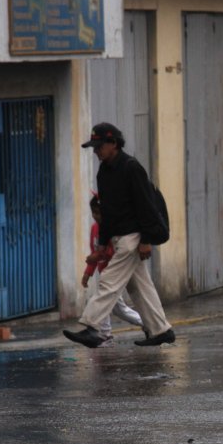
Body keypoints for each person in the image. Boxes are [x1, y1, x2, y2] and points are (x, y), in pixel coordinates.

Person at [64, 123, 175, 348]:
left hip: (133, 237)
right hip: (118, 237)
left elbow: (146, 206)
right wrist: (101, 247)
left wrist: (145, 240)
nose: (96, 152)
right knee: (140, 286)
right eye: (94, 148)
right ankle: (161, 330)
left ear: (113, 143)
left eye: (99, 147)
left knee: (109, 281)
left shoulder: (131, 167)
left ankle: (92, 327)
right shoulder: (104, 172)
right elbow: (107, 213)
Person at [81, 194, 145, 343]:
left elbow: (114, 251)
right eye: (94, 213)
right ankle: (106, 333)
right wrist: (87, 273)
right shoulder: (94, 229)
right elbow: (94, 250)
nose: (96, 216)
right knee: (114, 306)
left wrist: (98, 256)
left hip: (116, 273)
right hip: (104, 273)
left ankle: (106, 333)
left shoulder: (114, 230)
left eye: (99, 213)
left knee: (108, 303)